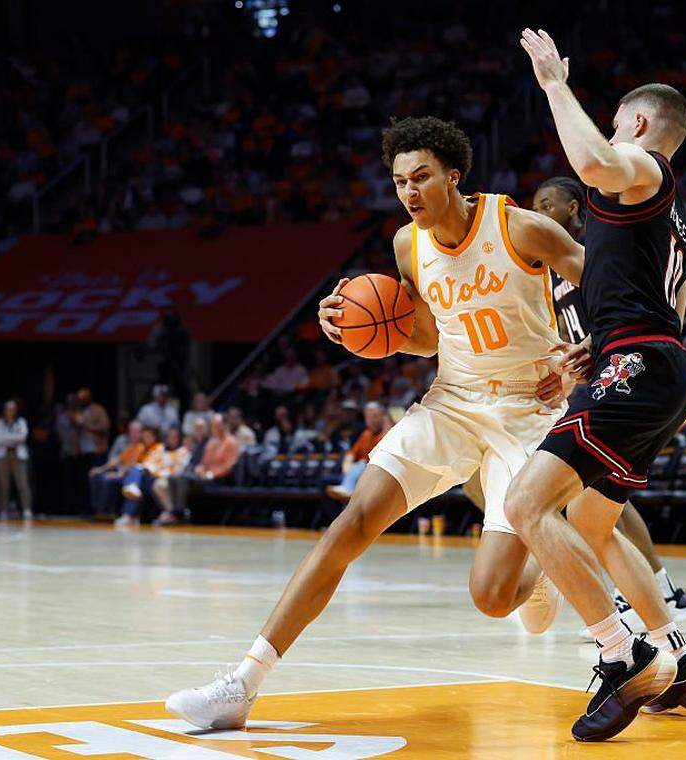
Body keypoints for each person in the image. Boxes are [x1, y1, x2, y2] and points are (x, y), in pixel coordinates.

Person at [167, 114, 592, 730]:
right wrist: (359, 327)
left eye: (421, 177)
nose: (410, 192)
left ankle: (540, 566)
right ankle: (242, 683)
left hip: (527, 407)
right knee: (351, 522)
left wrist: (584, 356)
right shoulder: (406, 245)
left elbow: (610, 287)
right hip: (453, 400)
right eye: (399, 182)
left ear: (453, 175)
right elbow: (422, 337)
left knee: (493, 598)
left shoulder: (520, 226)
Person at [504, 34, 686, 742]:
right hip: (658, 363)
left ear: (636, 125)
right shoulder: (674, 221)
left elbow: (592, 160)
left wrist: (553, 83)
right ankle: (680, 659)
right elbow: (665, 309)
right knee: (592, 524)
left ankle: (623, 655)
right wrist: (595, 348)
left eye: (617, 122)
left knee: (526, 503)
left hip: (638, 366)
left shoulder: (641, 166)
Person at [532, 175, 686, 625]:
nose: (539, 213)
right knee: (600, 502)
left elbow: (632, 306)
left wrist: (594, 345)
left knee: (561, 500)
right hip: (600, 373)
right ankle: (657, 602)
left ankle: (646, 599)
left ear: (573, 209)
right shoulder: (548, 272)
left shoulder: (598, 251)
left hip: (625, 367)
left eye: (547, 205)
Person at [325, 401, 392, 501]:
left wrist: (387, 421)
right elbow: (352, 453)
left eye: (374, 416)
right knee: (327, 480)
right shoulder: (366, 434)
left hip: (378, 472)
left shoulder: (387, 434)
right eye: (368, 416)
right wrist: (347, 462)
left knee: (361, 464)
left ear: (382, 417)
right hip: (360, 472)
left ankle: (347, 488)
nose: (371, 420)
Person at [154, 417, 208, 526]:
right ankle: (173, 513)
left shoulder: (208, 443)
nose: (198, 431)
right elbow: (191, 464)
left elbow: (207, 462)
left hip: (203, 477)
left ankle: (178, 514)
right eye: (196, 428)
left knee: (179, 478)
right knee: (173, 478)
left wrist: (204, 468)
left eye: (201, 428)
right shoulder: (196, 445)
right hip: (188, 475)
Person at [0, 400, 32, 520]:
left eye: (12, 409)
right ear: (4, 410)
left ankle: (26, 509)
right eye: (8, 409)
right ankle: (3, 510)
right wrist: (13, 440)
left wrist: (8, 440)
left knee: (22, 483)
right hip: (3, 457)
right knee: (3, 484)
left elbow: (23, 437)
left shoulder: (21, 422)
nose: (10, 411)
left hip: (18, 456)